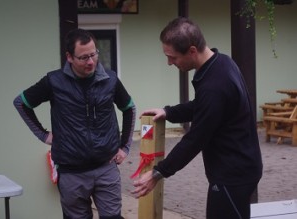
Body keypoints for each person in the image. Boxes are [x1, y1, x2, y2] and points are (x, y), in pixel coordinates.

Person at [132, 17, 262, 219]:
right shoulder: (221, 63)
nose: (169, 62)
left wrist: (158, 173)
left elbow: (195, 139)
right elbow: (203, 106)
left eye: (173, 57)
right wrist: (170, 112)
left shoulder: (214, 85)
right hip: (242, 168)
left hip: (233, 175)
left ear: (192, 51)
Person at [14, 28, 136, 219]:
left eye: (94, 54)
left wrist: (125, 147)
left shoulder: (110, 80)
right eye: (84, 57)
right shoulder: (54, 82)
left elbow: (129, 108)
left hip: (106, 167)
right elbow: (21, 103)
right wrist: (43, 135)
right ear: (69, 57)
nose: (91, 61)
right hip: (71, 173)